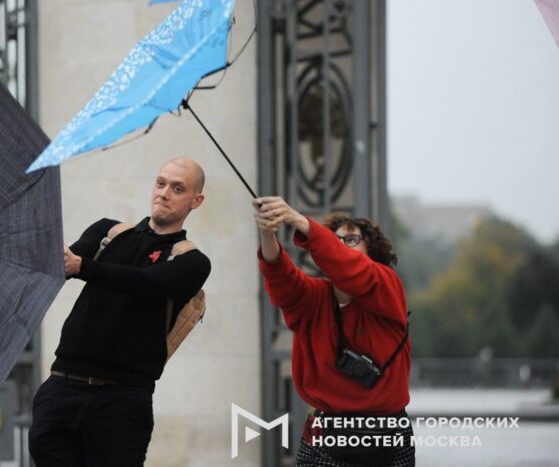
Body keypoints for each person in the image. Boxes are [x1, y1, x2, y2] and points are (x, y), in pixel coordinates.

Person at [29, 158, 211, 467]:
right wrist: (48, 251)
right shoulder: (108, 232)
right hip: (62, 387)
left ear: (196, 200)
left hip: (122, 400)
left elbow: (147, 283)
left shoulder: (192, 261)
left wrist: (83, 266)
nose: (164, 193)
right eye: (161, 183)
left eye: (177, 188)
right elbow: (58, 268)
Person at [253, 196, 414, 467]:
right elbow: (280, 276)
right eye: (335, 240)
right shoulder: (314, 297)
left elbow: (350, 267)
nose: (340, 246)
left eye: (351, 240)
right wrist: (268, 234)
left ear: (372, 253)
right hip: (324, 434)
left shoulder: (387, 285)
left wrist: (298, 220)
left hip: (387, 434)